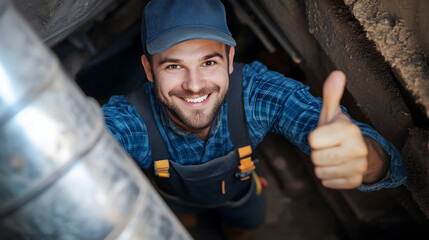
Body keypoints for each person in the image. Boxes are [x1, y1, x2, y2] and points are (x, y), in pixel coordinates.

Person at [102, 0, 407, 238]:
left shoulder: (255, 95)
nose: (194, 84)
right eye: (173, 67)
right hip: (175, 200)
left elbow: (304, 112)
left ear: (231, 59)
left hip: (240, 196)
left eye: (209, 62)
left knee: (244, 225)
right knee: (178, 220)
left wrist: (367, 160)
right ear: (148, 69)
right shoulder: (133, 119)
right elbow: (95, 137)